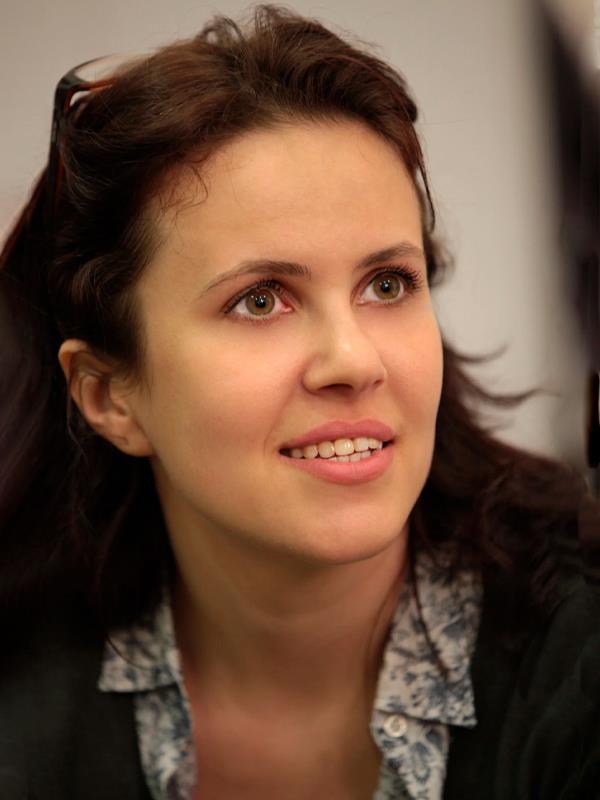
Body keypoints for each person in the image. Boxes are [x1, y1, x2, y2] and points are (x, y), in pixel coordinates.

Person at [0, 4, 598, 799]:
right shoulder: (24, 694)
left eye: (387, 284)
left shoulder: (580, 660)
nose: (354, 361)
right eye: (260, 300)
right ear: (110, 395)